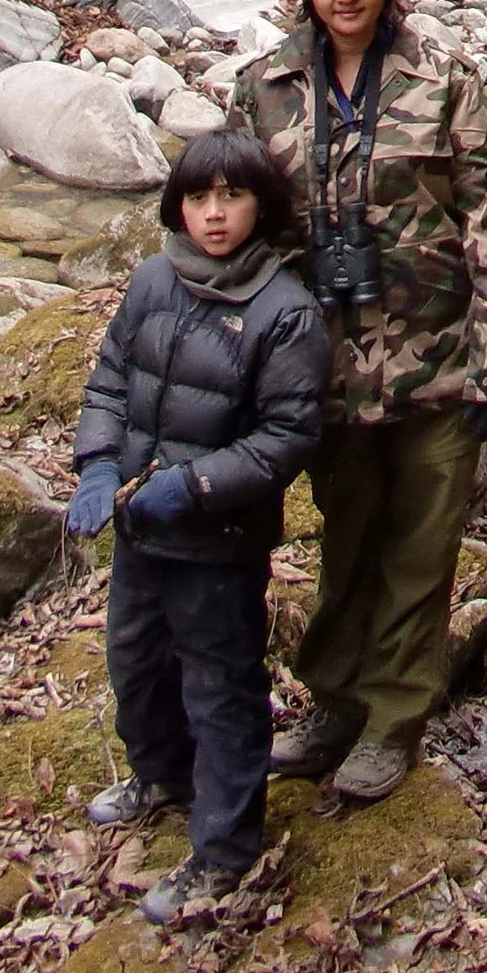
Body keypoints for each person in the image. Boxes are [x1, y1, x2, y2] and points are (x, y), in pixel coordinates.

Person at [232, 0, 487, 806]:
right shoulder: (265, 88)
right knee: (347, 535)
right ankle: (333, 703)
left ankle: (394, 718)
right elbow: (236, 224)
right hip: (318, 365)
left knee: (421, 544)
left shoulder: (444, 80)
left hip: (435, 356)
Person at [68, 128, 330, 929]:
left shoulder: (285, 311)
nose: (215, 215)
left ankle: (224, 849)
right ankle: (160, 775)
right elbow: (111, 377)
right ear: (177, 205)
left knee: (221, 687)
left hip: (218, 539)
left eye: (233, 196)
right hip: (138, 530)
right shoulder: (154, 278)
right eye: (200, 197)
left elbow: (286, 436)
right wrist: (97, 465)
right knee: (134, 659)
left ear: (261, 206)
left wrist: (195, 486)